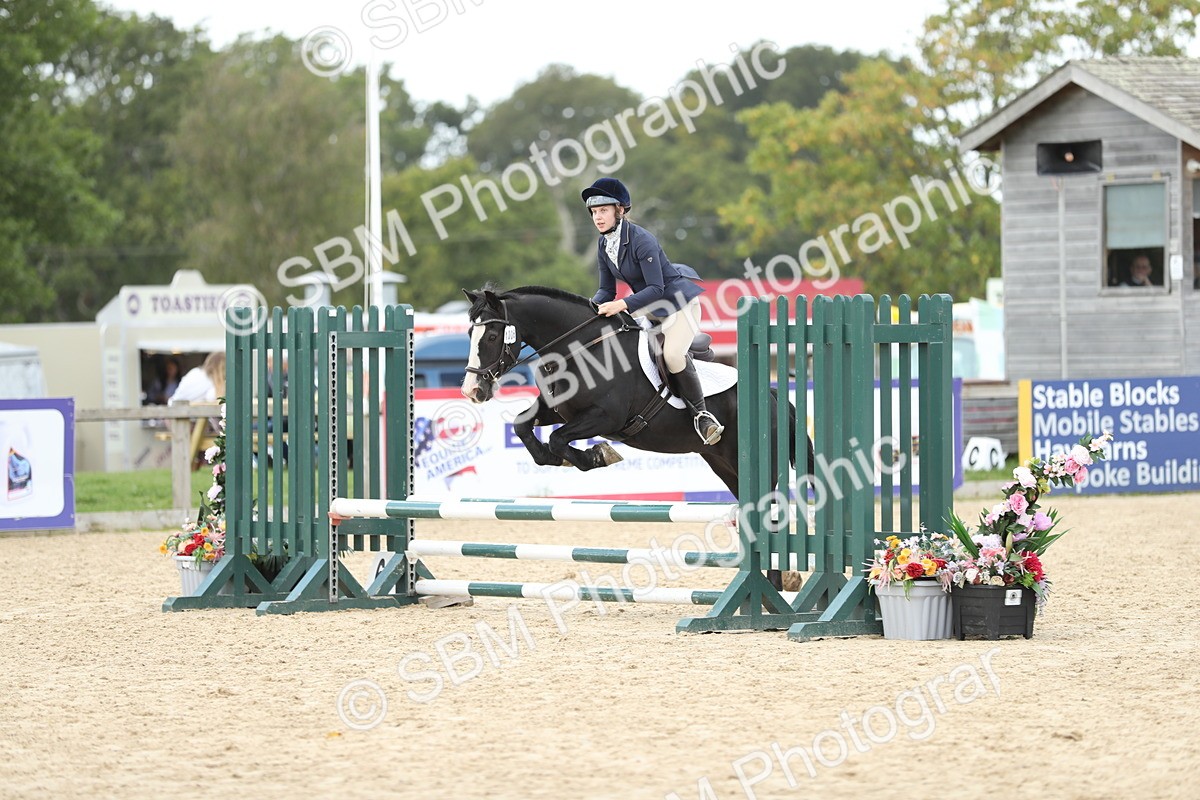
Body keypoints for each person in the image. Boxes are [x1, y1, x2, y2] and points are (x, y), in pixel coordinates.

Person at [582, 177, 724, 445]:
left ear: (619, 210)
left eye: (603, 210)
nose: (597, 217)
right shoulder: (604, 245)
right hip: (649, 308)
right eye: (594, 212)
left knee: (671, 355)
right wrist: (587, 310)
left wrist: (622, 305)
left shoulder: (641, 240)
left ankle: (702, 416)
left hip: (678, 305)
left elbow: (656, 288)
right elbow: (606, 291)